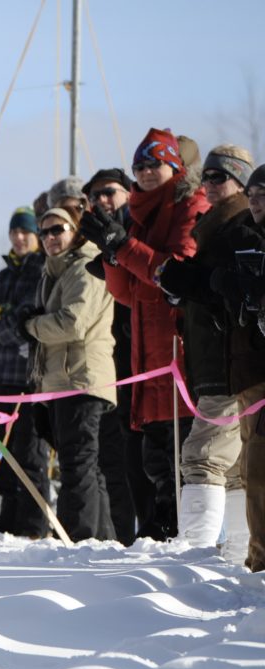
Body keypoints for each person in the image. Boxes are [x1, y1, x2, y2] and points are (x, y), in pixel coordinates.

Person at [80, 127, 209, 540]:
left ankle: (191, 534)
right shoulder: (137, 215)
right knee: (156, 452)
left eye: (155, 164)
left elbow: (173, 273)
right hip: (146, 347)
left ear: (175, 166)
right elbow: (127, 294)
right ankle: (161, 525)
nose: (147, 172)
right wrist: (112, 255)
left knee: (186, 449)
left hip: (181, 343)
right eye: (140, 165)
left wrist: (123, 248)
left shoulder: (191, 204)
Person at [157, 145, 255, 546]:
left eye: (220, 177)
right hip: (213, 361)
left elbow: (236, 294)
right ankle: (235, 554)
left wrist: (194, 284)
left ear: (241, 183)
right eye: (206, 176)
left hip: (230, 363)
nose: (209, 184)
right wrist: (182, 291)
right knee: (230, 465)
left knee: (202, 457)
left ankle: (195, 554)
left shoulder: (240, 229)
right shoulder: (213, 228)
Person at [18, 207, 115, 541]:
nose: (49, 238)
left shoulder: (86, 268)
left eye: (57, 229)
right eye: (43, 233)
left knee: (78, 463)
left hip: (82, 376)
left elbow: (74, 323)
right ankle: (100, 539)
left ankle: (77, 538)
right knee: (83, 462)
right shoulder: (53, 271)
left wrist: (31, 325)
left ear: (76, 231)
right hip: (60, 379)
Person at [0, 207, 52, 538]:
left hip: (27, 377)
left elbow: (23, 324)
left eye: (25, 232)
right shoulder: (5, 275)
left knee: (29, 453)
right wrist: (1, 317)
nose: (18, 238)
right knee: (0, 452)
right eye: (14, 232)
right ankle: (9, 521)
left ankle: (34, 522)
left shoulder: (40, 268)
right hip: (0, 375)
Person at [83, 167, 145, 544]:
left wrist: (121, 247)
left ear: (128, 192)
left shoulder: (140, 227)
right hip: (119, 358)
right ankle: (127, 537)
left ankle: (164, 538)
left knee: (152, 454)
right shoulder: (96, 240)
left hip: (155, 353)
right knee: (121, 457)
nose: (102, 201)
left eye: (109, 192)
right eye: (95, 197)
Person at [209, 165, 265, 569]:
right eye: (253, 194)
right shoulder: (244, 239)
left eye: (264, 194)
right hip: (248, 371)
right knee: (252, 471)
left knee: (257, 471)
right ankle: (257, 559)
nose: (256, 201)